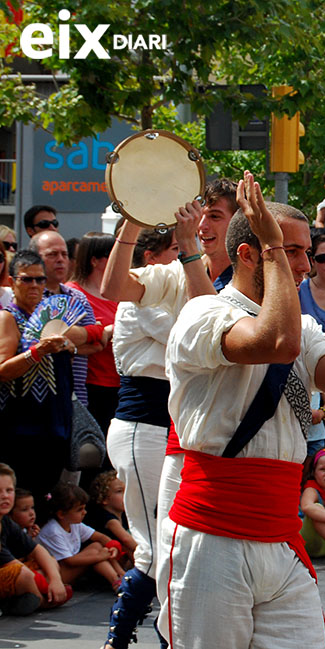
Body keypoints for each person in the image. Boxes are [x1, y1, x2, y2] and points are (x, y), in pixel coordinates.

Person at [157, 172, 325, 649]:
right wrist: (276, 250)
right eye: (290, 250)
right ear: (248, 253)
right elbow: (275, 343)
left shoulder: (302, 327)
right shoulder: (204, 313)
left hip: (280, 536)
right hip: (211, 536)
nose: (305, 263)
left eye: (300, 250)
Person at [99, 199, 215, 649]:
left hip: (168, 429)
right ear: (152, 258)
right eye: (174, 248)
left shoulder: (172, 288)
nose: (180, 256)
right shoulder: (139, 301)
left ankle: (162, 635)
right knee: (153, 546)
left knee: (172, 541)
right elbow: (192, 334)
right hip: (141, 428)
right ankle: (121, 638)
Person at [0, 250, 94, 499]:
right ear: (12, 282)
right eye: (26, 279)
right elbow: (2, 370)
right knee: (22, 497)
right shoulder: (9, 318)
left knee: (46, 496)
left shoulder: (50, 318)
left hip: (56, 425)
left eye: (40, 279)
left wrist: (69, 347)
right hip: (22, 429)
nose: (34, 285)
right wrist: (37, 352)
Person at [30, 229, 101, 407]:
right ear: (35, 258)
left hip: (77, 396)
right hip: (39, 397)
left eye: (64, 254)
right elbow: (41, 337)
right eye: (52, 254)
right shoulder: (32, 296)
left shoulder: (78, 297)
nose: (61, 259)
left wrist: (72, 345)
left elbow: (98, 343)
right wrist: (93, 331)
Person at [66, 232, 119, 436]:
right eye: (112, 254)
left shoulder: (118, 293)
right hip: (91, 385)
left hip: (119, 383)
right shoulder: (73, 293)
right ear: (95, 260)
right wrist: (105, 332)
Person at [0, 465, 69, 616]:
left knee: (48, 561)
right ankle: (42, 601)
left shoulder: (5, 521)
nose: (5, 496)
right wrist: (44, 584)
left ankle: (32, 598)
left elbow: (38, 551)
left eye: (9, 491)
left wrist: (55, 580)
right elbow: (13, 565)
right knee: (23, 574)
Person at [37, 482, 125, 590]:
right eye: (79, 510)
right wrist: (100, 556)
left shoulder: (74, 524)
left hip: (69, 569)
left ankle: (120, 574)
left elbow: (100, 537)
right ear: (61, 514)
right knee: (96, 552)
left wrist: (113, 546)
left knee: (97, 546)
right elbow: (69, 561)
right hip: (57, 575)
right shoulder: (53, 531)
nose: (85, 512)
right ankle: (117, 582)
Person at [84, 470, 137, 562]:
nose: (125, 495)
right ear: (104, 499)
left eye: (126, 490)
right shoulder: (108, 518)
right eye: (119, 491)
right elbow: (126, 539)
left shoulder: (124, 516)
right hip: (107, 558)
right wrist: (146, 552)